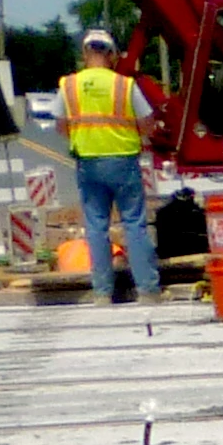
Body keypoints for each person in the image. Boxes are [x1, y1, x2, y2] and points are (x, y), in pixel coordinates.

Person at [55, 27, 167, 304]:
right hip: (123, 161)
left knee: (96, 226)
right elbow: (147, 123)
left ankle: (102, 292)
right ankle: (148, 290)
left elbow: (60, 126)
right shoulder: (124, 85)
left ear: (85, 53)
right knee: (134, 224)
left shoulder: (68, 85)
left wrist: (86, 139)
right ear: (112, 55)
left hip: (88, 162)